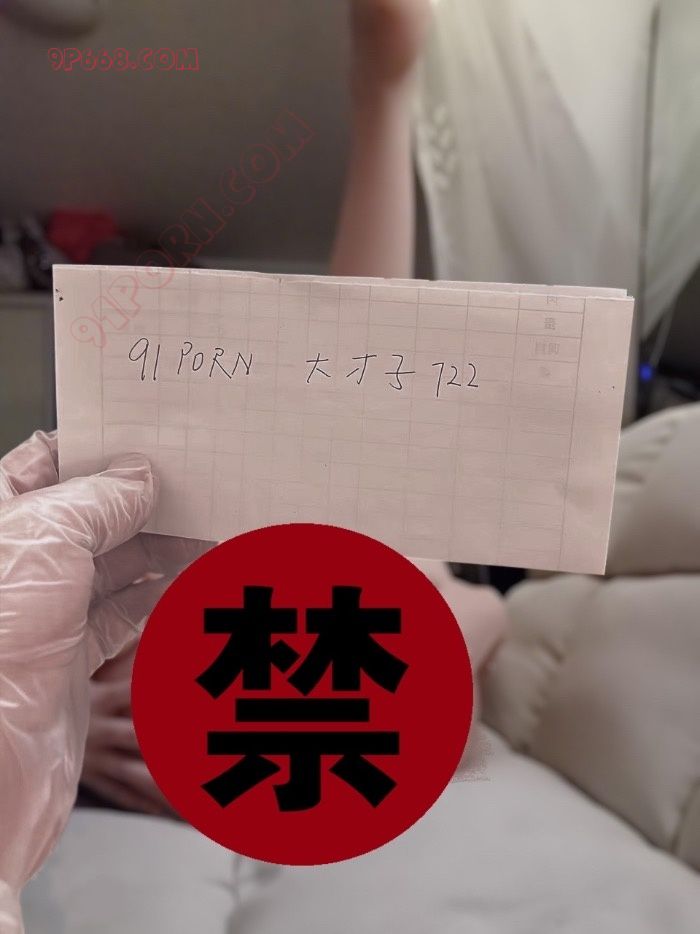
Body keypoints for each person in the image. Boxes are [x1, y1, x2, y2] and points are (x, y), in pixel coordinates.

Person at [0, 2, 507, 930]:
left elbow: (477, 619)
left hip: (281, 656)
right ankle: (385, 96)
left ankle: (385, 95)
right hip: (208, 682)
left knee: (367, 523)